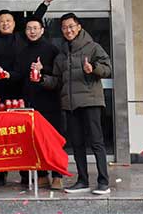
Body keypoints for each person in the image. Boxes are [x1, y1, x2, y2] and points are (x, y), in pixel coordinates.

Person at [0, 0, 55, 186]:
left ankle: (24, 173)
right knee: (0, 135)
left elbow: (35, 22)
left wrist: (46, 3)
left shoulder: (21, 37)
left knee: (22, 134)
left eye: (8, 21)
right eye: (1, 21)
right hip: (0, 95)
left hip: (22, 92)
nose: (5, 23)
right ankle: (1, 173)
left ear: (14, 24)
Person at [44, 13, 112, 196]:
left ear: (79, 27)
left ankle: (103, 182)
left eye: (71, 26)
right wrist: (41, 79)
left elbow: (107, 68)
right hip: (70, 104)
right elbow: (57, 81)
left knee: (96, 142)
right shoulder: (61, 54)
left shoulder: (93, 47)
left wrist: (94, 69)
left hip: (90, 101)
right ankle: (82, 181)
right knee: (77, 144)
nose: (68, 30)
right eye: (65, 27)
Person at [14, 16, 63, 190]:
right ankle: (42, 175)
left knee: (53, 140)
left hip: (51, 101)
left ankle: (57, 175)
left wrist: (44, 69)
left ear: (42, 30)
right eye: (29, 28)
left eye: (35, 28)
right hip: (31, 102)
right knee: (36, 140)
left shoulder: (52, 49)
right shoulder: (22, 51)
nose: (32, 31)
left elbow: (59, 73)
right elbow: (19, 75)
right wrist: (6, 75)